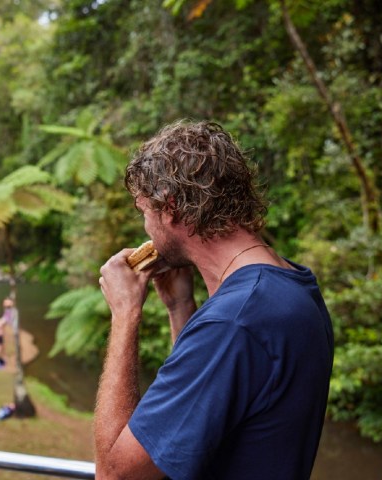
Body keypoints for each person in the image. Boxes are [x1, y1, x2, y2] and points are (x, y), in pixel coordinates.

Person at [96, 120, 334, 479]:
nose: (145, 229)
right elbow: (205, 414)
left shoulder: (235, 321)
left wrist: (125, 313)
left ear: (171, 208)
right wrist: (180, 308)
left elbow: (115, 474)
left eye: (146, 213)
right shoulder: (292, 287)